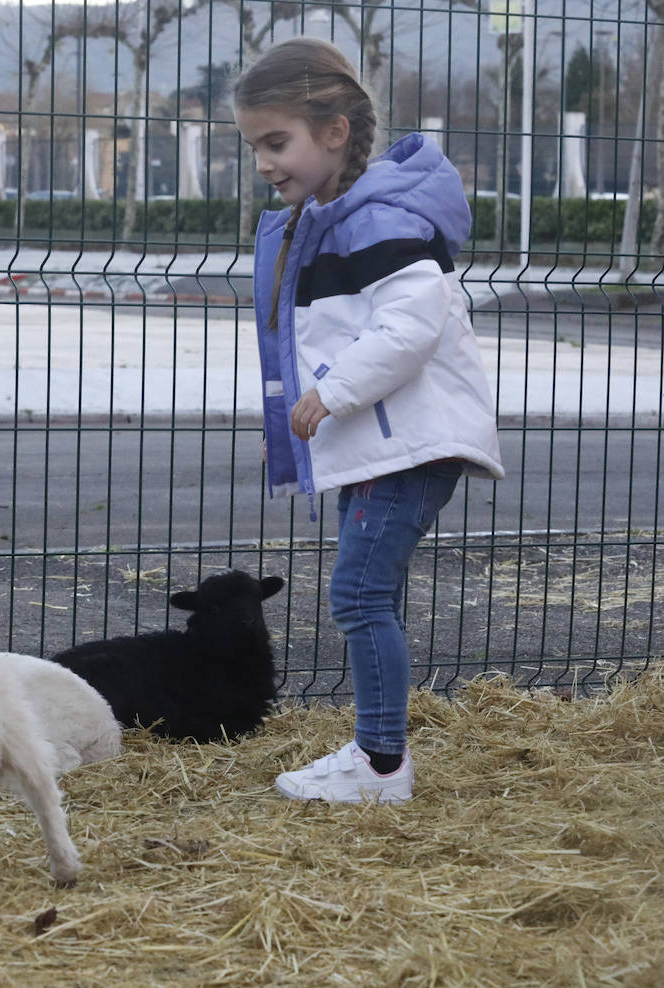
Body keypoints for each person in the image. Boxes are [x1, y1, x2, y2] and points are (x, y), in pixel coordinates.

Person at [234, 38, 504, 803]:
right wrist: (299, 409)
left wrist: (337, 392)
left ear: (334, 132)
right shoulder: (325, 222)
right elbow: (317, 338)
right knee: (364, 592)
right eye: (255, 145)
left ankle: (382, 766)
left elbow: (409, 326)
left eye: (276, 142)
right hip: (385, 440)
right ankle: (377, 755)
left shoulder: (377, 219)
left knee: (357, 592)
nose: (263, 161)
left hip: (414, 445)